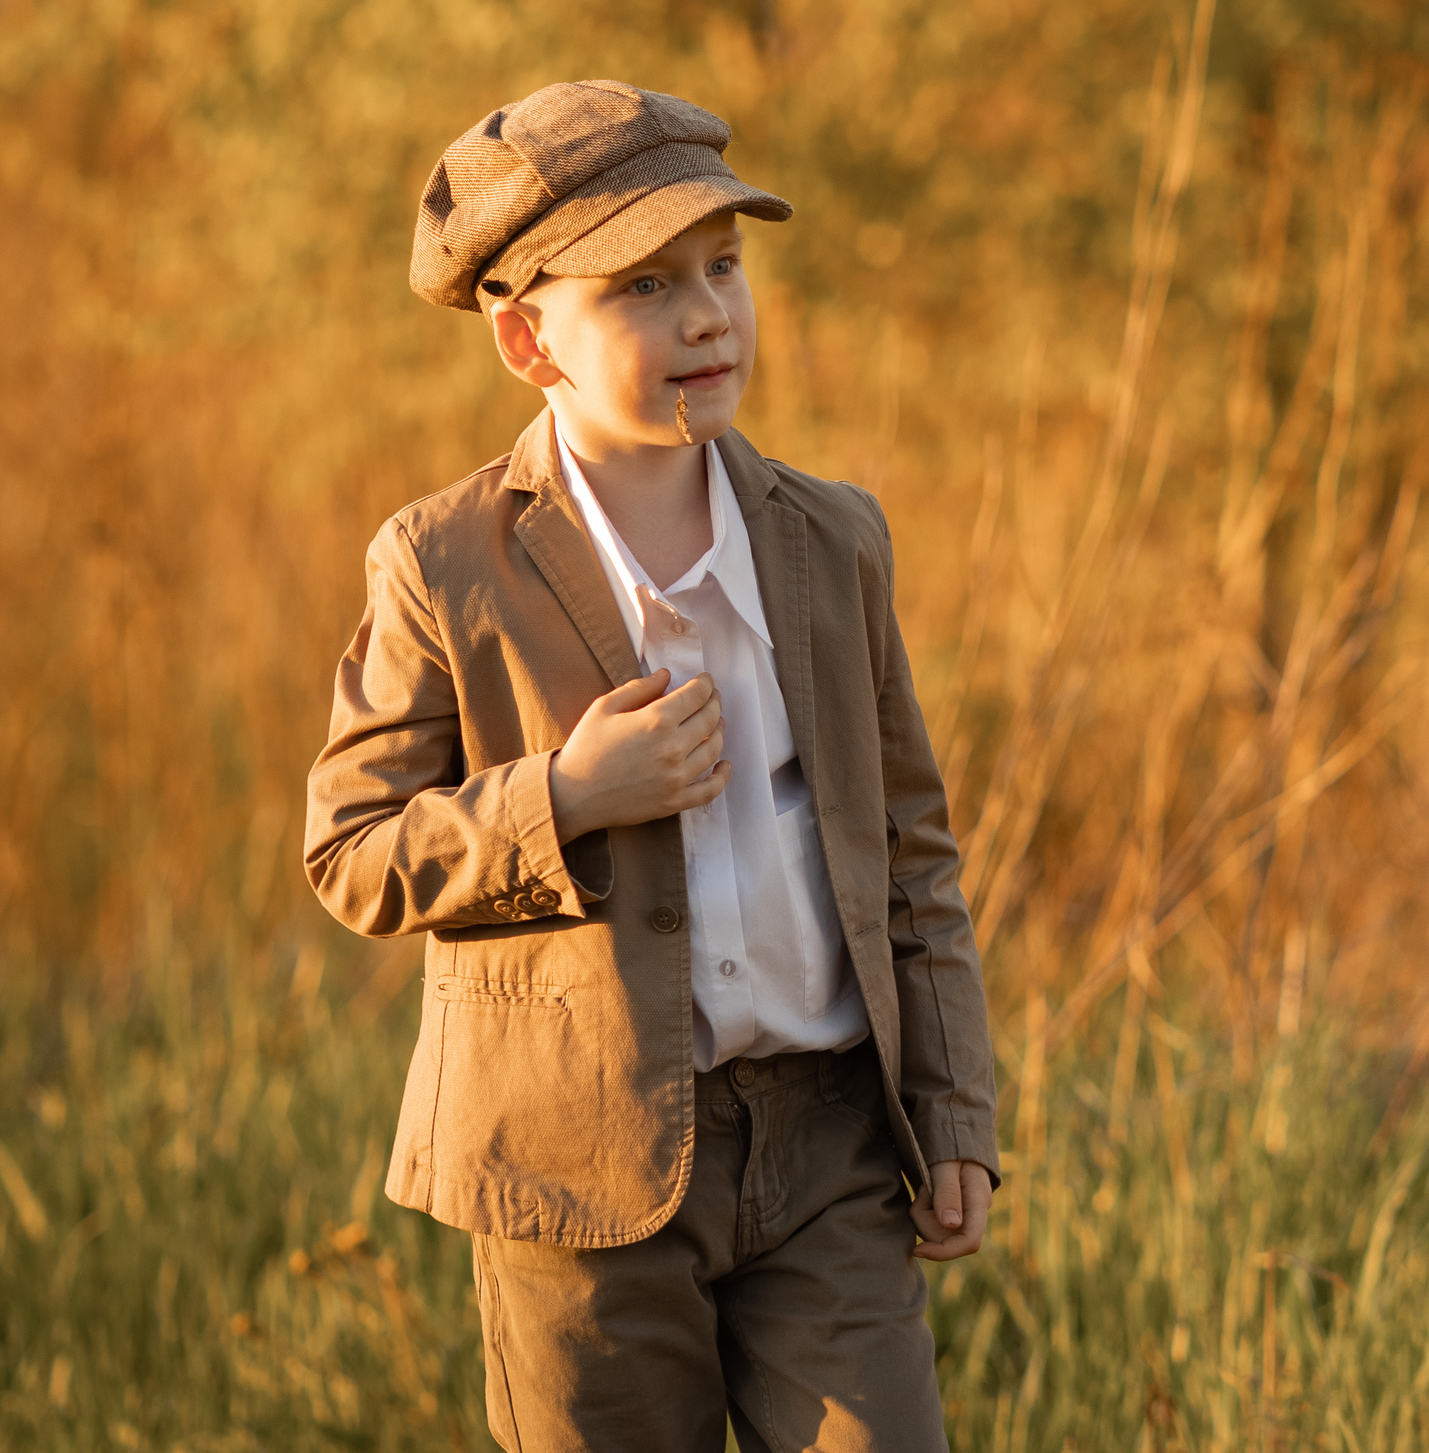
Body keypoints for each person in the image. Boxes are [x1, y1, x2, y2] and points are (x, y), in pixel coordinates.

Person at [304, 79, 998, 1452]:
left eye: (724, 268)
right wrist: (562, 798)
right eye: (640, 284)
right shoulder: (444, 563)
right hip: (571, 1179)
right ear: (527, 338)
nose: (705, 315)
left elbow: (910, 847)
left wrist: (953, 1102)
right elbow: (352, 852)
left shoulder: (834, 541)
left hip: (827, 1148)